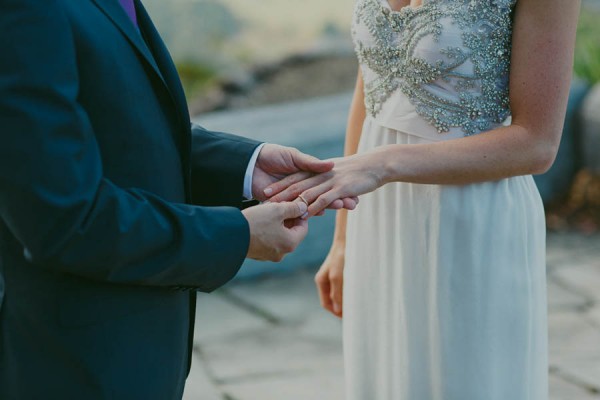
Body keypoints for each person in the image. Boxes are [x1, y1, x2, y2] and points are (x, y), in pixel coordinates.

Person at [0, 0, 356, 398]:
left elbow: (120, 128)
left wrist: (245, 164)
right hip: (74, 365)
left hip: (142, 354)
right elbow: (64, 218)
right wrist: (236, 235)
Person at [266, 0, 581, 398]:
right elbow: (373, 87)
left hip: (469, 220)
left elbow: (536, 144)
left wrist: (384, 164)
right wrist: (343, 240)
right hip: (376, 214)